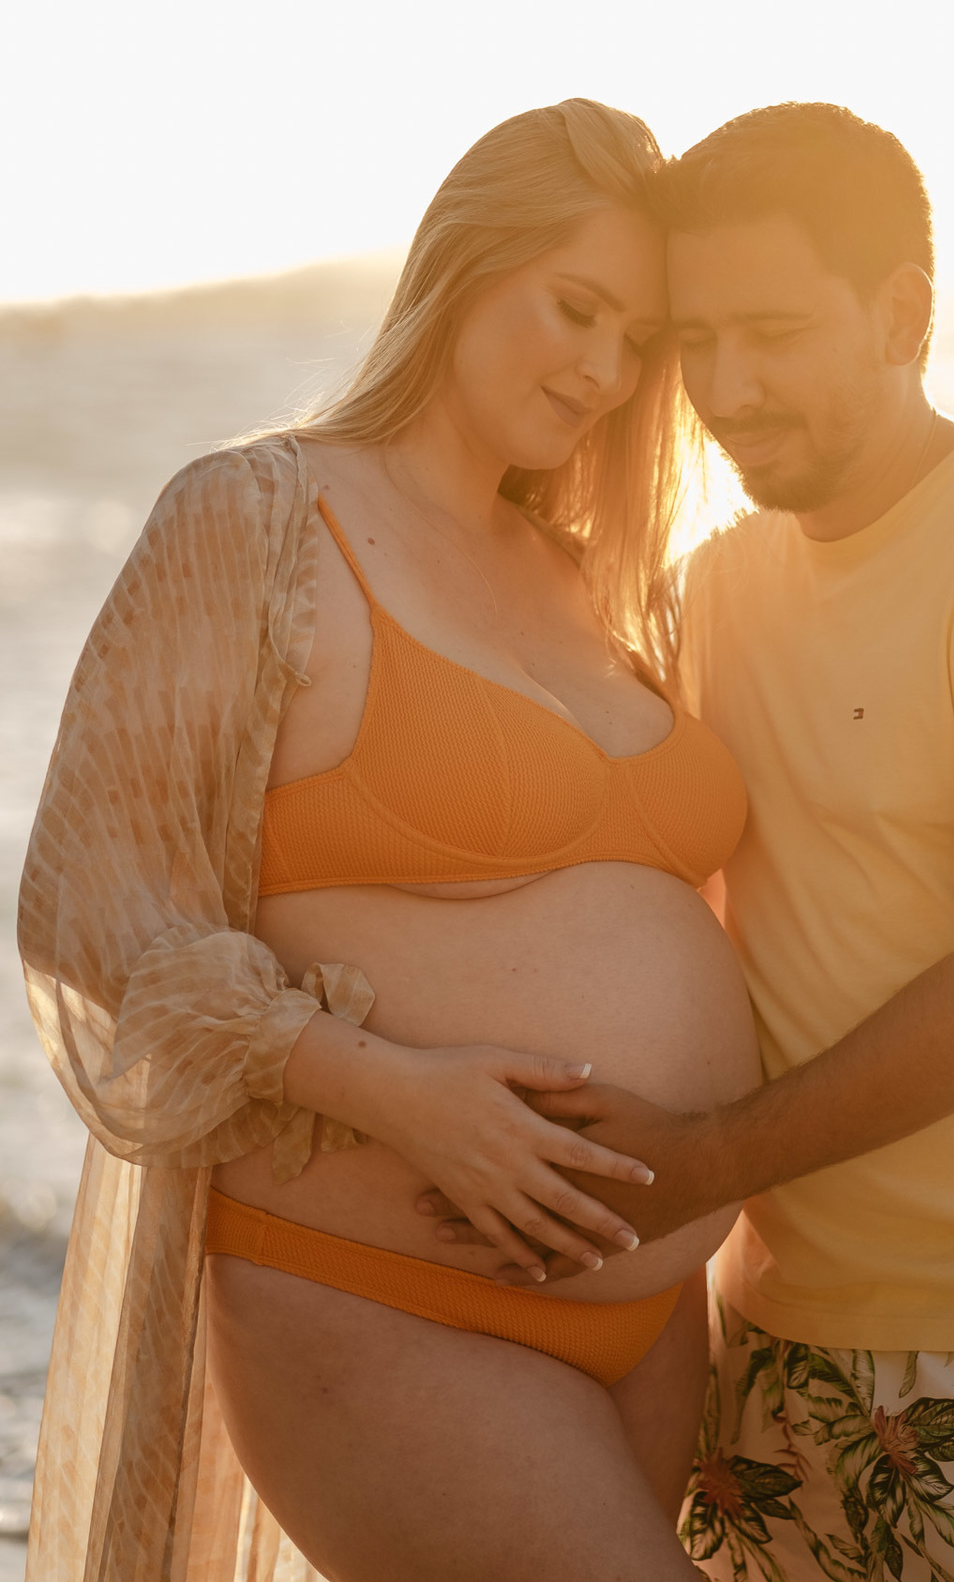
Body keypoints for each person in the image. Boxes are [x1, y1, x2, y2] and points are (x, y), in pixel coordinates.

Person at [426, 104, 954, 1580]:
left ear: (902, 313)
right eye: (695, 341)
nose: (726, 386)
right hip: (771, 1347)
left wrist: (704, 1155)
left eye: (772, 331)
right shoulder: (719, 583)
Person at [18, 98, 764, 1582]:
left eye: (640, 342)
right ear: (467, 262)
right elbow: (84, 897)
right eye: (576, 309)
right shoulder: (261, 516)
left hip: (653, 1319)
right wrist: (399, 1092)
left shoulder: (599, 581)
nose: (607, 371)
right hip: (376, 1297)